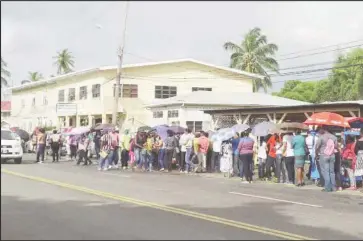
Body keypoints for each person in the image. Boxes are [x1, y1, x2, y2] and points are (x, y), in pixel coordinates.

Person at [315, 126, 338, 192]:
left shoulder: (321, 137)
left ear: (324, 129)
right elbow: (336, 147)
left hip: (323, 155)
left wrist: (316, 154)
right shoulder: (334, 137)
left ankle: (327, 187)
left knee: (325, 172)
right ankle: (334, 187)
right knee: (332, 172)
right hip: (332, 155)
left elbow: (317, 147)